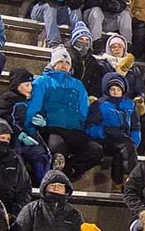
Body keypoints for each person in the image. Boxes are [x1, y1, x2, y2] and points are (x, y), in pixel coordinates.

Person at [22, 45, 100, 179]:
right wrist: (30, 129)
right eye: (60, 62)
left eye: (67, 62)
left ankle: (70, 170)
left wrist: (82, 126)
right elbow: (33, 107)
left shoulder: (77, 85)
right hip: (52, 129)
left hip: (74, 130)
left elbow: (84, 110)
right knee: (58, 150)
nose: (64, 65)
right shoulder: (42, 82)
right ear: (53, 63)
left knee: (96, 150)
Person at [85, 72, 141, 190]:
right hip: (105, 139)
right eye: (112, 89)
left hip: (125, 142)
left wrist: (134, 142)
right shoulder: (99, 104)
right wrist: (104, 131)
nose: (115, 92)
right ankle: (131, 182)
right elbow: (89, 127)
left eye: (118, 89)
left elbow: (136, 127)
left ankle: (118, 184)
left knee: (122, 151)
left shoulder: (130, 105)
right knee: (125, 147)